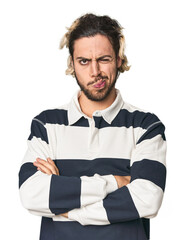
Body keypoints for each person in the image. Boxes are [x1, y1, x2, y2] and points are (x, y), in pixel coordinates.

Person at [18, 13, 167, 240]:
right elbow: (31, 194)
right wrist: (114, 182)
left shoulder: (145, 126)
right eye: (84, 61)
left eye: (104, 59)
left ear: (118, 59)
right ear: (72, 63)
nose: (95, 71)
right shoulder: (46, 124)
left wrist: (65, 207)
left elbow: (147, 200)